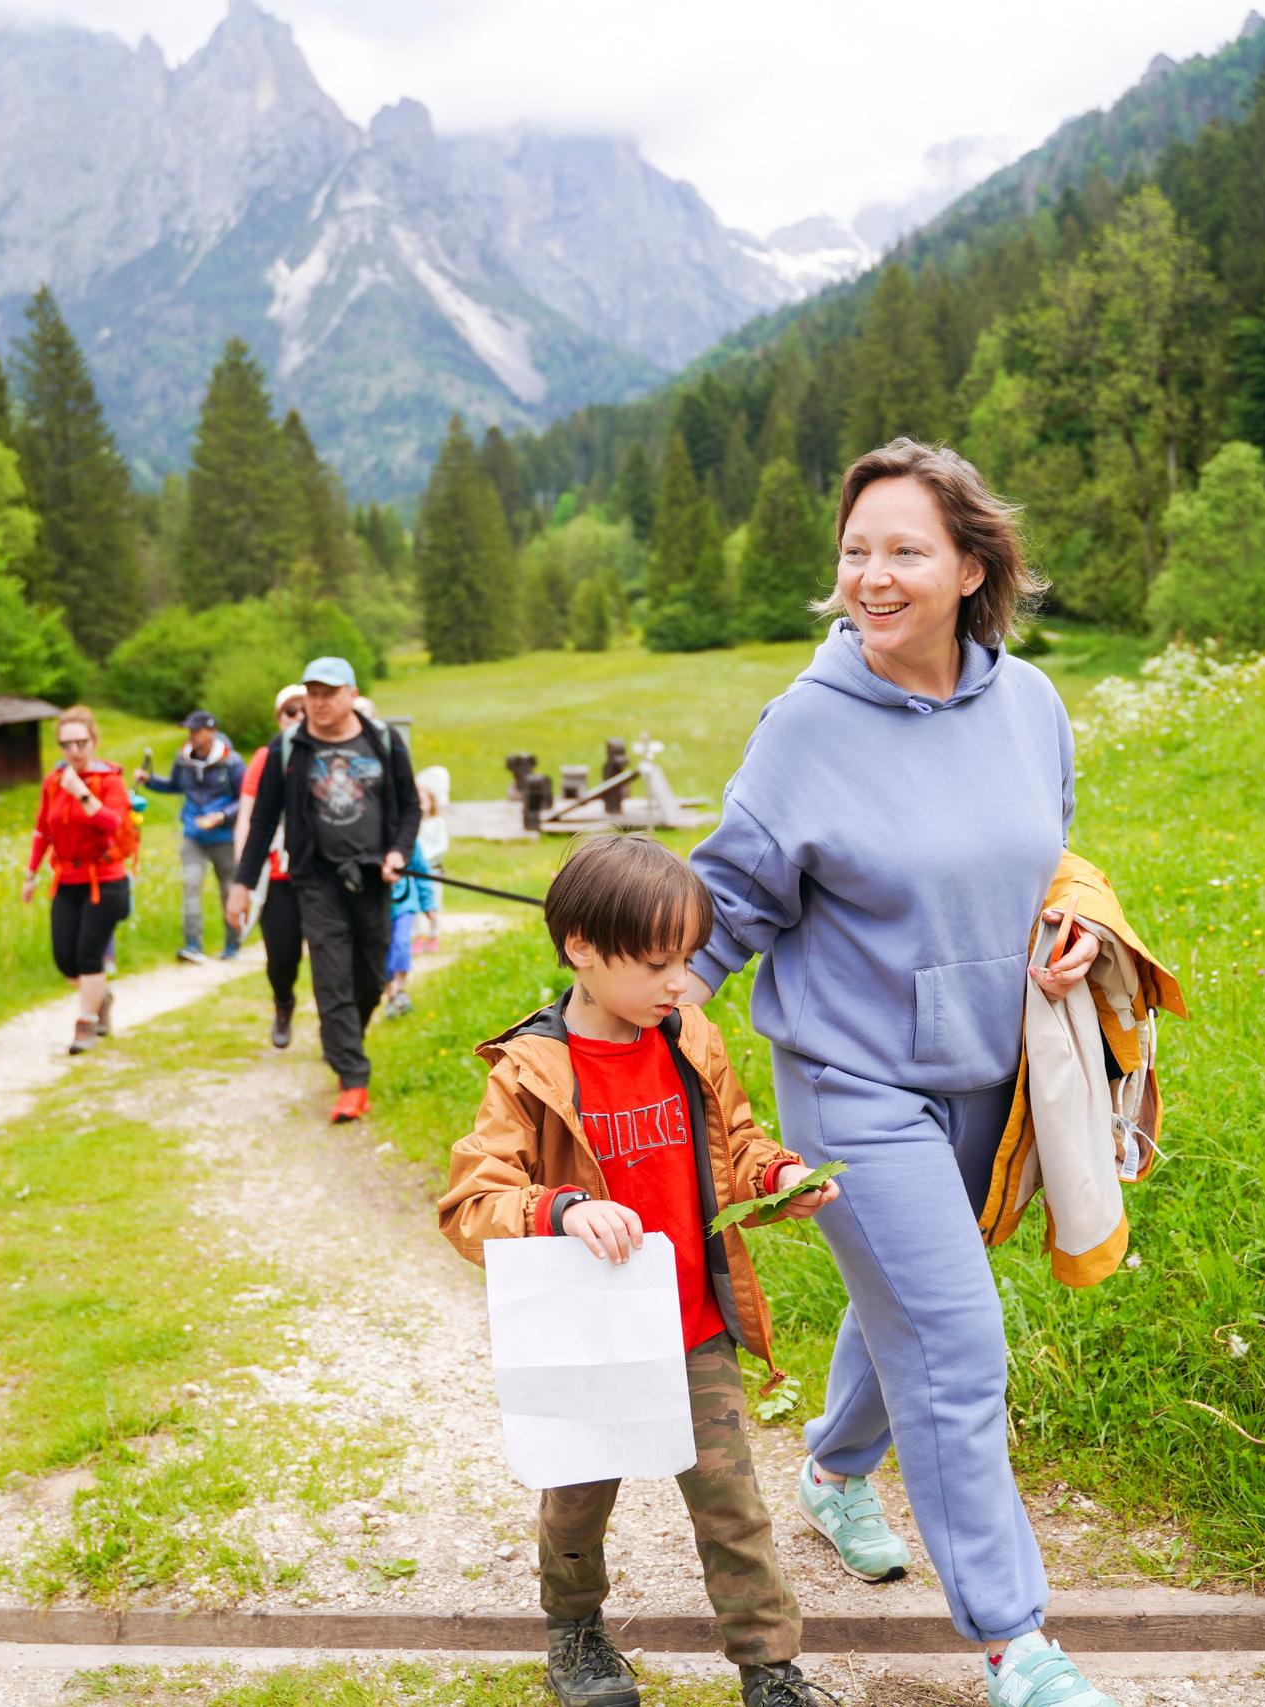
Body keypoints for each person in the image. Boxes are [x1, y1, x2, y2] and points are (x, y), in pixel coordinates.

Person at [680, 441, 1118, 1707]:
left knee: (915, 1302)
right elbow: (727, 904)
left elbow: (1048, 858)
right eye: (855, 551)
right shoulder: (805, 726)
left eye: (903, 551)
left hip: (994, 1072)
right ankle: (1014, 1643)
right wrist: (618, 1013)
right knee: (955, 1337)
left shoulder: (1029, 703)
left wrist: (1075, 919)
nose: (871, 577)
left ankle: (829, 1472)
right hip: (855, 1081)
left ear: (970, 567)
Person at [436, 832, 842, 1707]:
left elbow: (733, 1140)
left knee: (735, 1509)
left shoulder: (689, 1035)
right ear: (580, 947)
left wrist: (774, 1177)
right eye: (658, 962)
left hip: (694, 1324)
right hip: (592, 1339)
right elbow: (472, 1201)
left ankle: (771, 1671)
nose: (679, 981)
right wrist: (563, 1208)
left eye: (688, 959)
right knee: (577, 1503)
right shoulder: (531, 1071)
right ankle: (575, 1636)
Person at [227, 658, 418, 1121]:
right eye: (312, 692)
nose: (319, 701)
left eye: (329, 692)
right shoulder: (287, 749)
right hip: (314, 880)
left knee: (371, 977)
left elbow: (410, 808)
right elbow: (262, 821)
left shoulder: (385, 742)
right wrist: (242, 885)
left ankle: (345, 1040)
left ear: (351, 694)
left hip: (373, 878)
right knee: (330, 975)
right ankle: (353, 1081)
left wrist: (397, 853)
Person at [20, 705, 135, 1055]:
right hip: (66, 879)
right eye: (66, 744)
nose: (74, 751)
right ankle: (100, 996)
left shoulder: (110, 781)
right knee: (65, 959)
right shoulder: (52, 783)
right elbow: (44, 829)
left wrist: (82, 793)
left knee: (89, 955)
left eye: (81, 743)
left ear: (94, 741)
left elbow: (113, 824)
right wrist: (31, 873)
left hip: (106, 880)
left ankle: (85, 1023)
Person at [140, 710, 246, 964]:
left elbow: (245, 799)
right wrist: (150, 780)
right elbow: (176, 786)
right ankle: (193, 945)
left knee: (228, 890)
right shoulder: (183, 759)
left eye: (196, 731)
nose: (192, 736)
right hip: (193, 835)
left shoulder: (232, 762)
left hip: (224, 836)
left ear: (211, 732)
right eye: (190, 731)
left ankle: (233, 943)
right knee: (191, 884)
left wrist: (221, 816)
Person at [234, 683, 307, 1048]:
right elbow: (249, 816)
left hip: (319, 875)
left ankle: (337, 1035)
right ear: (279, 719)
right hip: (276, 874)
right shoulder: (266, 757)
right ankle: (283, 1002)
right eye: (289, 712)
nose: (298, 717)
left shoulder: (325, 753)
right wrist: (241, 876)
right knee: (282, 956)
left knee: (333, 960)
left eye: (303, 710)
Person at [383, 764, 449, 1018]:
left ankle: (400, 989)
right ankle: (389, 993)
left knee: (400, 944)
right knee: (382, 949)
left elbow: (422, 875)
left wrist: (428, 905)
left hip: (404, 905)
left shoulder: (410, 843)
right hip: (378, 908)